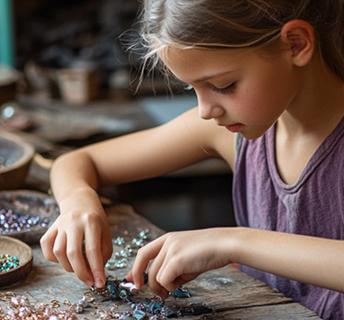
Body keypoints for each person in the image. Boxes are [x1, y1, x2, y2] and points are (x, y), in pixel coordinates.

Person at [39, 1, 344, 318]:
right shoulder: (226, 131)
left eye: (222, 85)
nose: (205, 110)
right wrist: (78, 201)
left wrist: (230, 242)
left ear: (296, 44)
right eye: (192, 88)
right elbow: (77, 161)